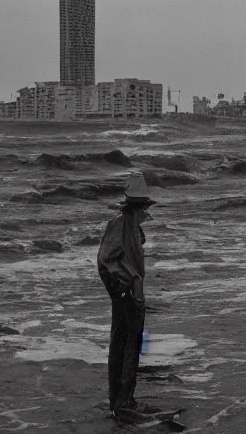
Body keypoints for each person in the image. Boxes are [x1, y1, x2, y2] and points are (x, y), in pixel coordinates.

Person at [96, 172, 156, 415]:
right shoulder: (119, 224)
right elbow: (105, 260)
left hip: (131, 293)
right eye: (143, 207)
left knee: (131, 344)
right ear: (137, 206)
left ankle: (124, 400)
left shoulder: (131, 226)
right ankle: (121, 402)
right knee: (125, 346)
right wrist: (124, 285)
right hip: (125, 293)